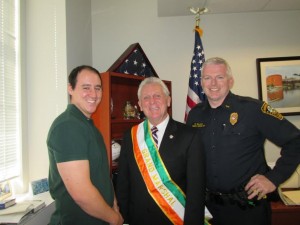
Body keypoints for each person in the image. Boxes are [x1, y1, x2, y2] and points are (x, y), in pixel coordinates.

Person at [186, 57, 300, 225]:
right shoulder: (195, 114)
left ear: (230, 81)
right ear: (201, 82)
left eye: (220, 77)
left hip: (247, 207)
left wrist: (273, 178)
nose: (213, 83)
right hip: (210, 208)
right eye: (207, 78)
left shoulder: (253, 109)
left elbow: (296, 141)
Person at [116, 77, 207, 225]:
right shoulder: (130, 136)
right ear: (139, 105)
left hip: (174, 220)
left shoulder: (190, 136)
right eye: (146, 97)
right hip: (138, 219)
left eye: (157, 96)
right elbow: (123, 184)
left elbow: (196, 190)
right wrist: (124, 219)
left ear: (168, 100)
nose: (152, 102)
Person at [47, 65, 123, 225]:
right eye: (86, 88)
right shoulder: (68, 126)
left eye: (98, 88)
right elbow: (81, 192)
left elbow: (102, 173)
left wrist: (114, 204)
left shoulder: (88, 126)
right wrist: (114, 218)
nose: (94, 94)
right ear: (70, 89)